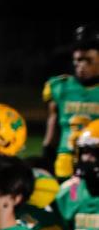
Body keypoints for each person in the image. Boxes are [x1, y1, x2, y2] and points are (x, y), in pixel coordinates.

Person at [42, 25, 99, 180]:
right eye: (78, 60)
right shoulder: (60, 86)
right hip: (65, 159)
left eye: (88, 60)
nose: (81, 65)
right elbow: (52, 123)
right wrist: (47, 153)